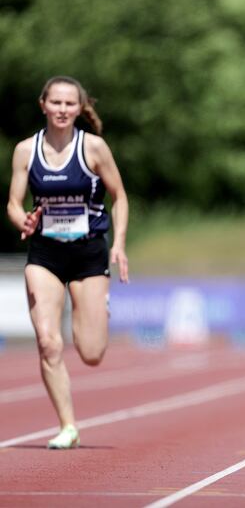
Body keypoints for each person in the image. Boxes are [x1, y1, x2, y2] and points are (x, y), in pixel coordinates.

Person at [6, 76, 130, 449]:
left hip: (89, 252)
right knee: (47, 342)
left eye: (69, 104)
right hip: (45, 253)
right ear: (42, 104)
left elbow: (120, 197)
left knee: (91, 353)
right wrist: (22, 220)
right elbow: (13, 202)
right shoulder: (26, 151)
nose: (62, 110)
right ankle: (68, 426)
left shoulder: (93, 148)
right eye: (55, 103)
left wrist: (118, 244)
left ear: (80, 108)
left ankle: (95, 306)